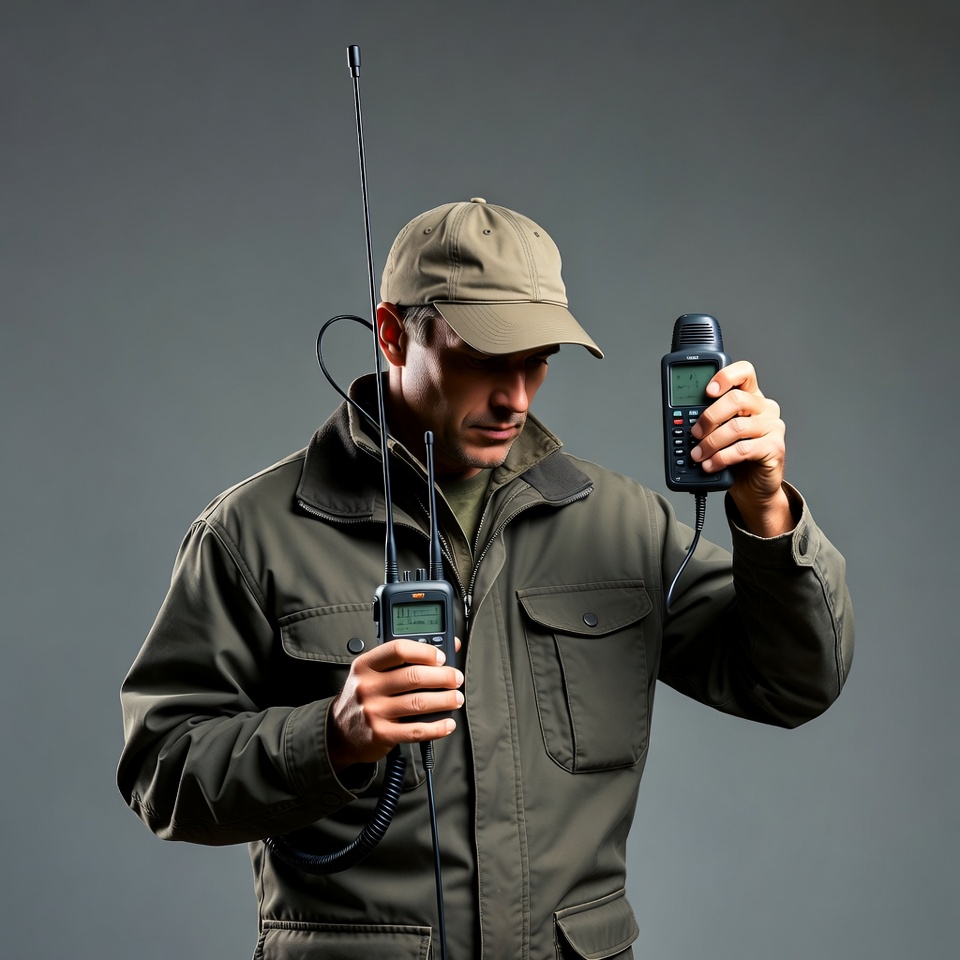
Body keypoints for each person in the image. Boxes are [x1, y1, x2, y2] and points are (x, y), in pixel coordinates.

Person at [118, 198, 854, 960]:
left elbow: (795, 680)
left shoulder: (620, 525)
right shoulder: (253, 534)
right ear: (393, 334)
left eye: (537, 360)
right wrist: (329, 739)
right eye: (485, 359)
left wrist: (766, 510)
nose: (517, 397)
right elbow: (159, 771)